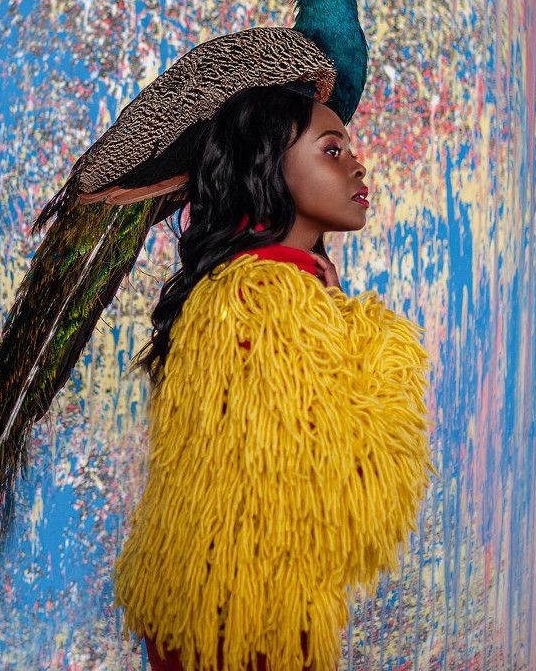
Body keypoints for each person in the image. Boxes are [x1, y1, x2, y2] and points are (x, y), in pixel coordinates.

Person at [113, 84, 437, 671]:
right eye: (331, 150)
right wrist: (373, 337)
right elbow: (357, 505)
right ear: (267, 167)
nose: (358, 164)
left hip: (212, 616)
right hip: (253, 632)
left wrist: (333, 311)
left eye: (350, 149)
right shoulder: (266, 301)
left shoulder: (240, 289)